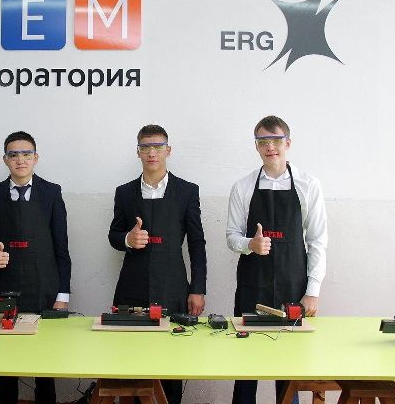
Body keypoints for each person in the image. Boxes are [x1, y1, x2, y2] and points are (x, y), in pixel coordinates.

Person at [226, 115, 328, 404]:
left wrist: (313, 291)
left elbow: (318, 240)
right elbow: (231, 236)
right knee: (246, 366)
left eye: (275, 140)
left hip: (292, 288)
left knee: (289, 368)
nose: (270, 147)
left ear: (288, 143)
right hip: (252, 287)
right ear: (256, 146)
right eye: (263, 141)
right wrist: (250, 244)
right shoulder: (243, 187)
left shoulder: (308, 185)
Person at [108, 124, 207, 404]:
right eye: (145, 147)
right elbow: (113, 235)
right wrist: (128, 239)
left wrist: (197, 288)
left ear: (168, 150)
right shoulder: (124, 192)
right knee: (130, 360)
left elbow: (197, 243)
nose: (152, 153)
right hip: (132, 286)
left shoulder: (187, 191)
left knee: (172, 361)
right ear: (138, 152)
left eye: (158, 147)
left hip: (173, 286)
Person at [0, 131, 71, 404]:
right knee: (6, 365)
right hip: (5, 288)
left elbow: (62, 249)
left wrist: (62, 296)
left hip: (45, 290)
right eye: (13, 154)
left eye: (26, 154)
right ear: (5, 159)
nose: (20, 160)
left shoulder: (52, 193)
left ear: (36, 158)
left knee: (45, 366)